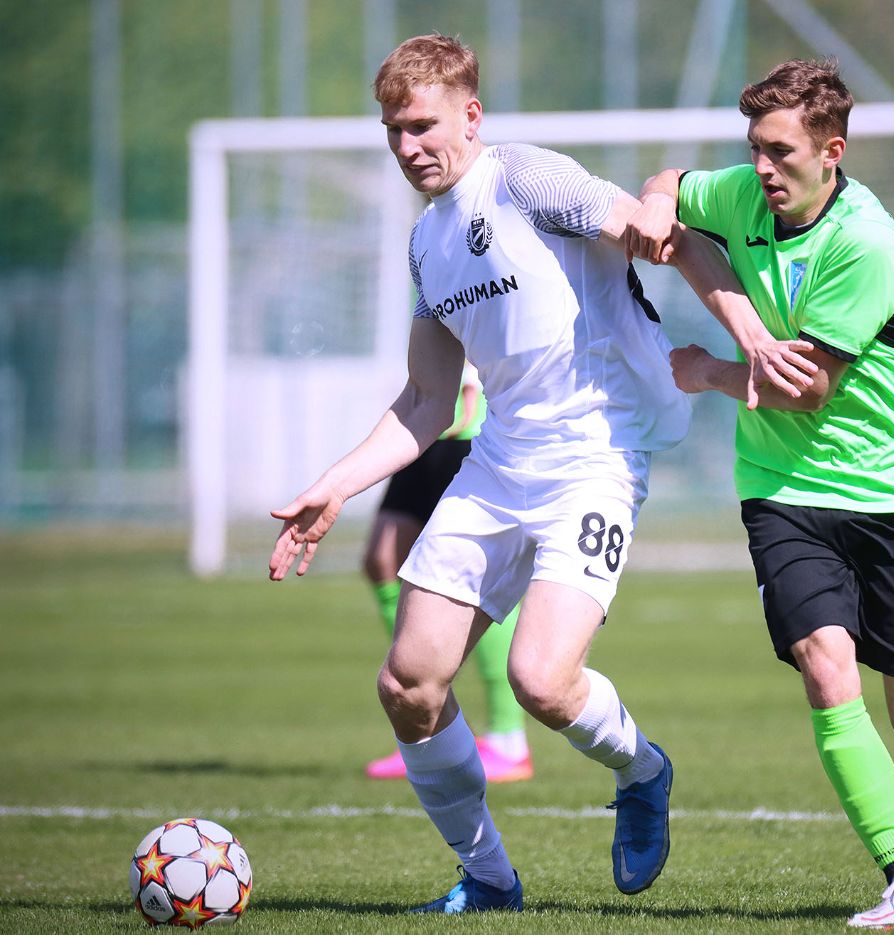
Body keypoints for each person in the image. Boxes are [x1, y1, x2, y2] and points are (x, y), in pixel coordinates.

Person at [268, 34, 811, 915]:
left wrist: (748, 335)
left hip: (596, 456)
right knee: (408, 684)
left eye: (423, 125)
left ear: (470, 116)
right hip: (497, 463)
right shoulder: (427, 244)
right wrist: (335, 484)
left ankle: (643, 770)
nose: (408, 146)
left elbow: (666, 237)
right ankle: (488, 879)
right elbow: (427, 399)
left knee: (542, 679)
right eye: (394, 130)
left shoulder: (525, 178)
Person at [623, 58, 894, 929]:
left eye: (780, 152)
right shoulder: (744, 193)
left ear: (832, 152)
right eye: (755, 148)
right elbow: (672, 186)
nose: (762, 168)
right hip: (783, 488)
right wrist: (658, 203)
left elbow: (805, 387)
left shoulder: (865, 240)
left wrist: (706, 370)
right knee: (823, 662)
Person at [361, 365, 532, 784]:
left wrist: (467, 397)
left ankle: (508, 740)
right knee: (382, 560)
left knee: (481, 579)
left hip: (464, 434)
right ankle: (430, 724)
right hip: (422, 431)